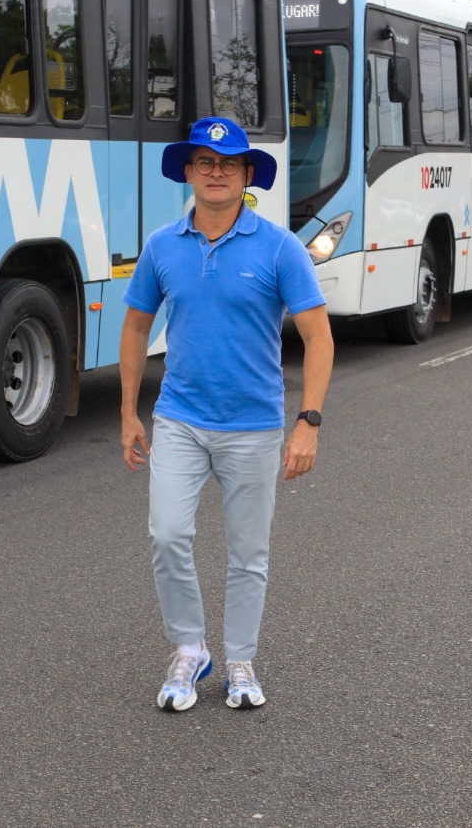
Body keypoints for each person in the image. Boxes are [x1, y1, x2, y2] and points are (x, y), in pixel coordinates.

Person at [119, 115, 333, 712]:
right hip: (179, 418)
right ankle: (190, 649)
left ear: (246, 176)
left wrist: (308, 422)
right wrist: (129, 412)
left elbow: (318, 337)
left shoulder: (280, 248)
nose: (217, 173)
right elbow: (135, 328)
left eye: (229, 164)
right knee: (167, 535)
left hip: (254, 425)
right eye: (206, 163)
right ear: (189, 172)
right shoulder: (162, 246)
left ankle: (240, 659)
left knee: (248, 554)